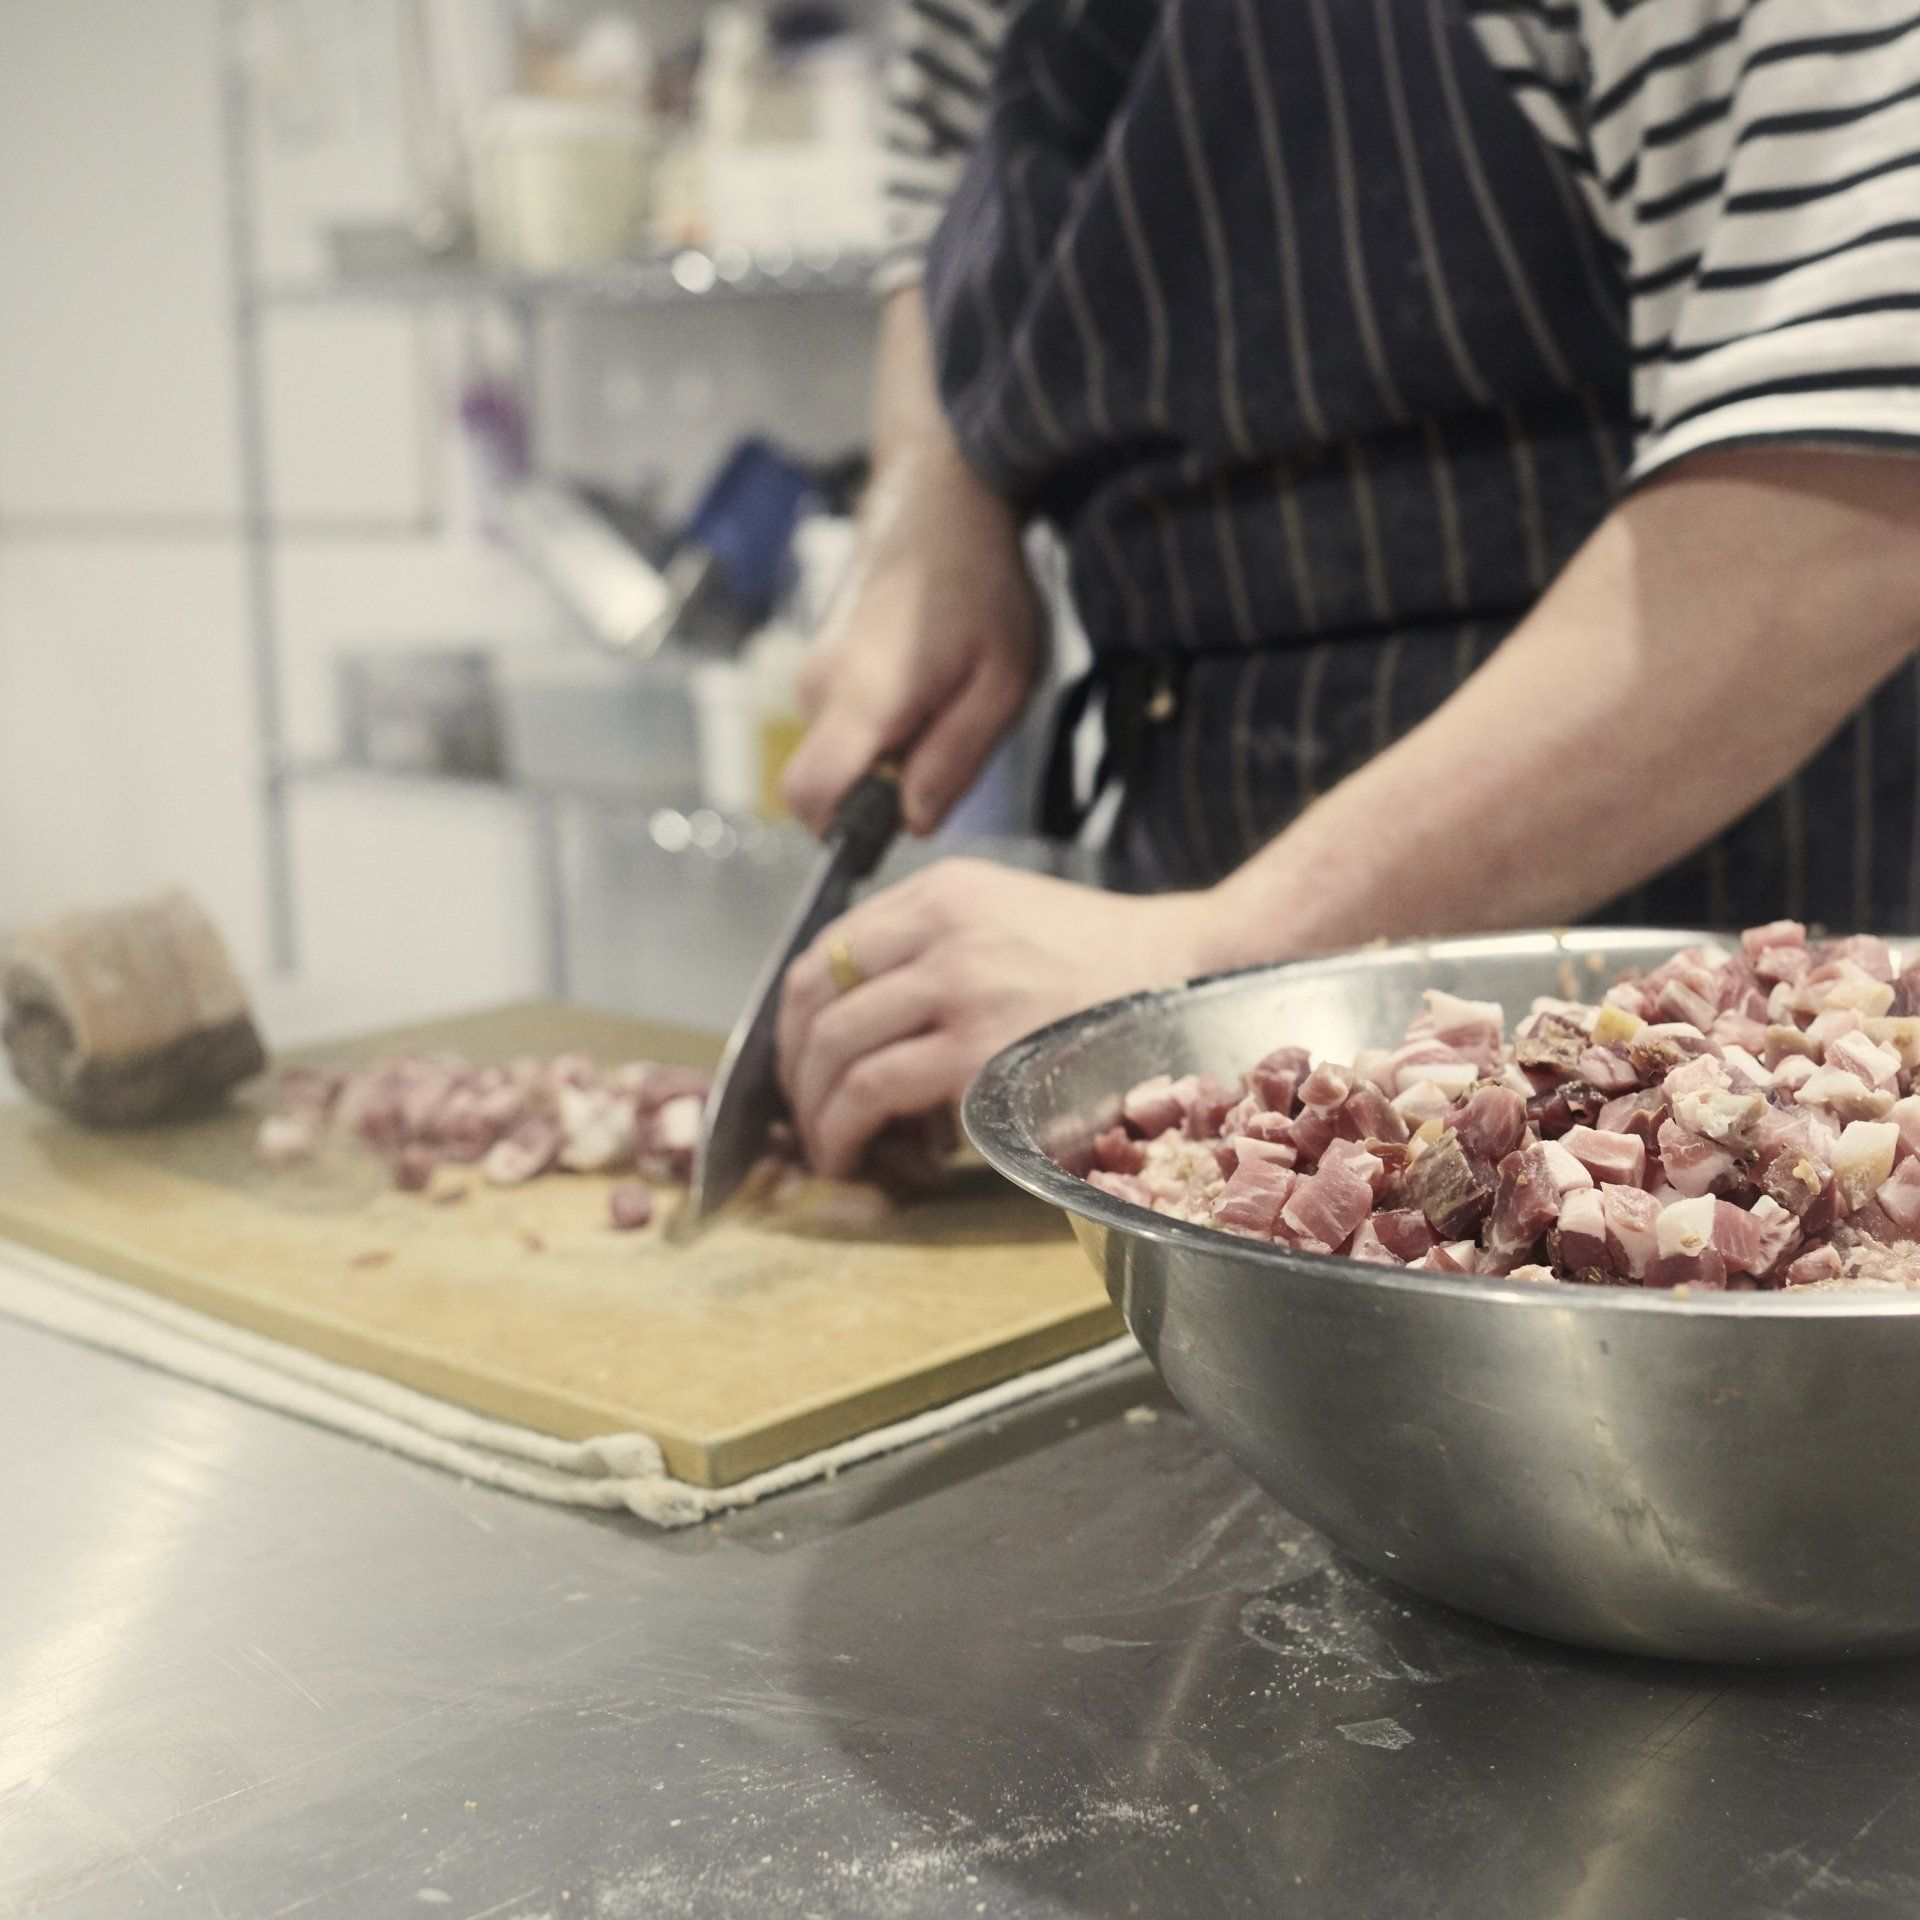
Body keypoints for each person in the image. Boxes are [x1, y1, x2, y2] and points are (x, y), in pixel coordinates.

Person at [776, 0, 1920, 1180]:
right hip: (1194, 923)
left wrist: (1216, 954)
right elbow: (937, 181)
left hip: (1699, 1045)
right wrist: (937, 498)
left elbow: (1837, 517)